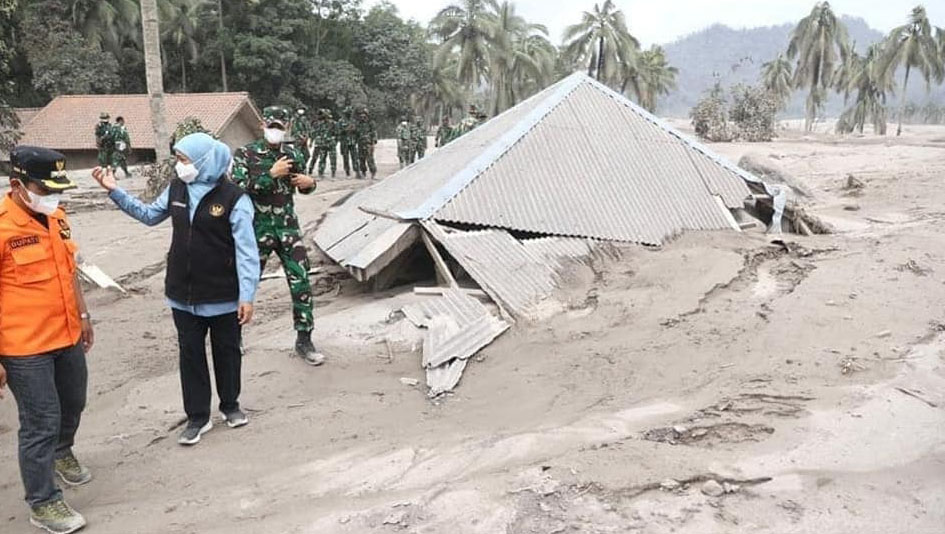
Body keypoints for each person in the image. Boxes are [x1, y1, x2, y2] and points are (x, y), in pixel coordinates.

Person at [92, 133, 260, 446]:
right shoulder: (177, 188)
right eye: (179, 159)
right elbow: (148, 215)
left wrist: (247, 296)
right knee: (190, 355)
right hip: (182, 295)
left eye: (184, 160)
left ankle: (230, 405)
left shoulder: (235, 198)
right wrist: (116, 192)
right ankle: (198, 417)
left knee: (227, 352)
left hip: (224, 295)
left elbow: (247, 253)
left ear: (203, 162)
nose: (179, 165)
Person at [0, 146, 94, 534]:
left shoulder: (55, 215)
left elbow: (69, 269)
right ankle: (43, 501)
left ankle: (62, 451)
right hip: (24, 346)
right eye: (46, 187)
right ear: (18, 184)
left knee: (74, 401)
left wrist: (84, 314)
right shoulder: (2, 227)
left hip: (68, 331)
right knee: (40, 421)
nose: (53, 196)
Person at [232, 106, 325, 366]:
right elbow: (239, 189)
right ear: (262, 125)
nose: (276, 131)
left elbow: (300, 185)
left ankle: (304, 339)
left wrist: (310, 184)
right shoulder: (245, 154)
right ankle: (234, 335)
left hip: (287, 228)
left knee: (301, 281)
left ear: (288, 127)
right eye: (271, 126)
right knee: (247, 283)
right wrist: (270, 174)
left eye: (280, 127)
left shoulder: (293, 153)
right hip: (257, 228)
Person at [336, 107, 360, 178]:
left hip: (352, 142)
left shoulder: (354, 121)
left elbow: (358, 131)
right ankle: (347, 172)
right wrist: (345, 130)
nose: (348, 114)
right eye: (347, 113)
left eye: (349, 112)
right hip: (344, 142)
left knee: (355, 157)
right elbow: (338, 131)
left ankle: (357, 171)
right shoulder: (341, 121)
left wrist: (355, 130)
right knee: (345, 158)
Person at [354, 107, 377, 179]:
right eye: (361, 115)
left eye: (364, 115)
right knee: (361, 159)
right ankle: (363, 172)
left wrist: (373, 141)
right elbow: (356, 133)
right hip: (360, 143)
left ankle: (373, 172)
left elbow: (374, 132)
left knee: (370, 158)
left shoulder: (370, 123)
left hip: (368, 143)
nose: (362, 116)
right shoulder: (358, 124)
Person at [313, 108, 337, 178]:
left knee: (333, 159)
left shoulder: (333, 123)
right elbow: (315, 133)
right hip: (322, 144)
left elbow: (337, 133)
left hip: (331, 144)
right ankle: (320, 173)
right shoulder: (319, 124)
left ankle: (333, 173)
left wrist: (334, 140)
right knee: (322, 159)